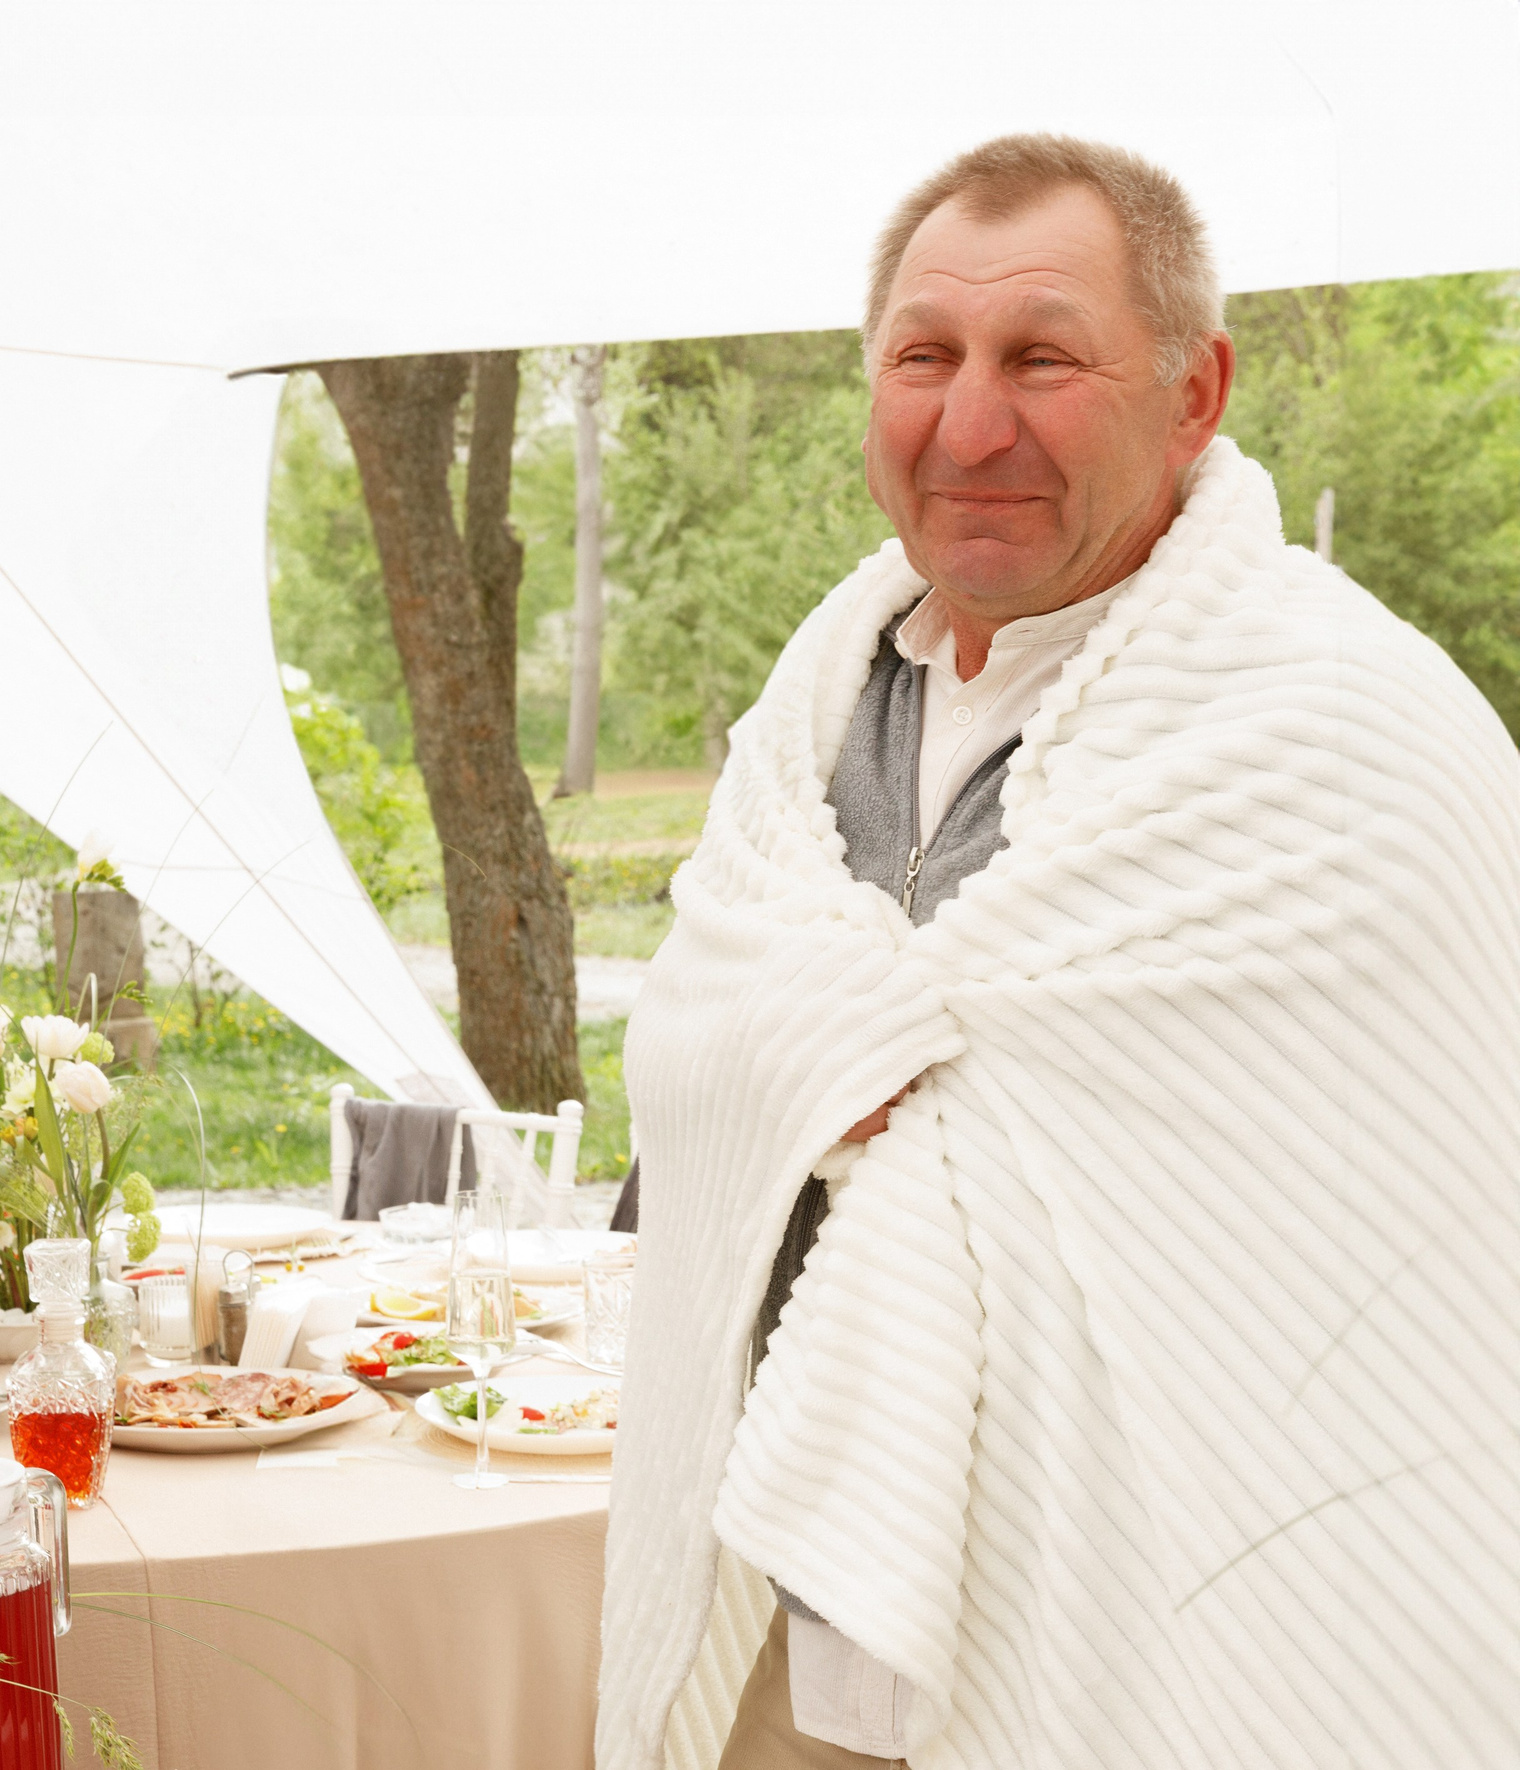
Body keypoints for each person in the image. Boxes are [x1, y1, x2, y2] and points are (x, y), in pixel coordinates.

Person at [599, 136, 1520, 1770]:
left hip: (1185, 1636)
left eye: (1041, 357)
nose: (970, 424)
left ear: (1193, 390)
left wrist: (901, 1069)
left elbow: (1414, 1206)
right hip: (792, 1623)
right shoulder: (805, 720)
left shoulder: (1349, 725)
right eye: (925, 359)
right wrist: (823, 1064)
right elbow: (701, 1047)